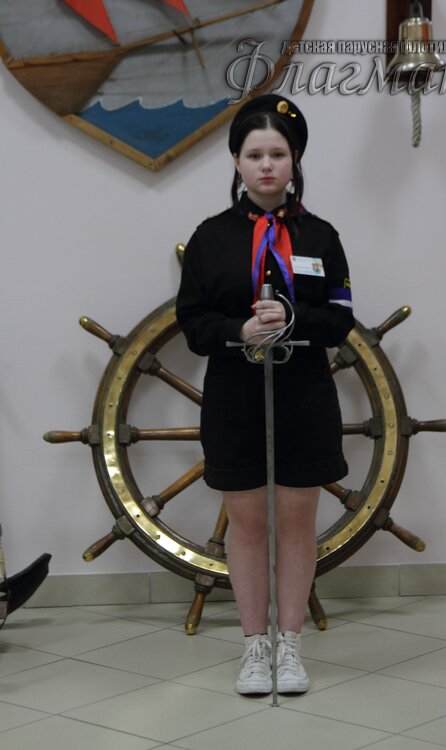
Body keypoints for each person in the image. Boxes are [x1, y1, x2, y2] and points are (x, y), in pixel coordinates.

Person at [176, 94, 355, 695]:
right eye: (254, 154)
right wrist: (240, 330)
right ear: (236, 161)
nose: (267, 165)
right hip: (235, 394)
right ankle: (254, 645)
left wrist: (293, 318)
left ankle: (290, 645)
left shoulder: (322, 236)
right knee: (249, 523)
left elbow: (341, 320)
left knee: (297, 522)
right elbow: (192, 324)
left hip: (304, 393)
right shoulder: (210, 238)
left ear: (295, 158)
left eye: (278, 153)